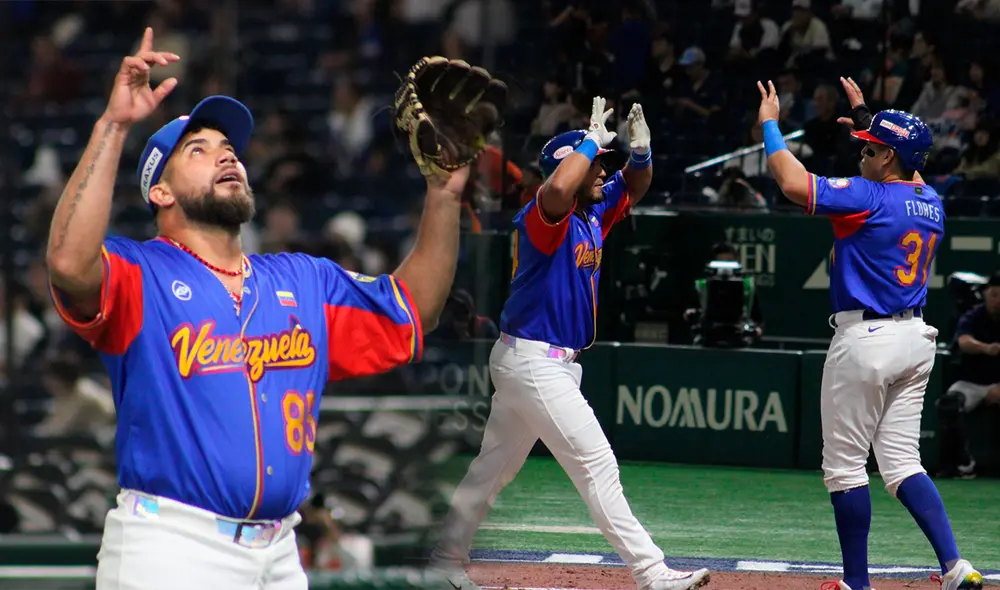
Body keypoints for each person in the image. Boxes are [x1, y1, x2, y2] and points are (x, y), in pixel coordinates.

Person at [44, 29, 467, 590]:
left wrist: (443, 194)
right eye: (199, 151)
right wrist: (115, 125)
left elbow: (415, 308)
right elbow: (70, 263)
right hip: (171, 547)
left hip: (281, 553)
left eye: (230, 150)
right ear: (161, 193)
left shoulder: (303, 279)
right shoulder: (140, 274)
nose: (225, 157)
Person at [428, 98, 710, 590]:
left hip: (540, 361)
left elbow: (635, 185)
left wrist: (640, 152)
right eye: (596, 165)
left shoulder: (592, 211)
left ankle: (443, 560)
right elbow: (558, 185)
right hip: (535, 361)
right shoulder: (544, 213)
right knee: (597, 464)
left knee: (491, 471)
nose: (603, 172)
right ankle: (651, 572)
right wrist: (587, 141)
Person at [756, 77, 983, 590]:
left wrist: (769, 124)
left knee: (844, 470)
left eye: (870, 150)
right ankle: (955, 566)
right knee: (902, 463)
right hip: (915, 340)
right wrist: (869, 124)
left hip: (866, 341)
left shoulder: (869, 195)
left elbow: (792, 183)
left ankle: (857, 584)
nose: (861, 154)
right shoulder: (932, 201)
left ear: (888, 159)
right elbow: (908, 167)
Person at [936, 270, 1000, 479]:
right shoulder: (974, 315)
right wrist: (985, 348)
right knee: (950, 403)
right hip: (971, 384)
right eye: (994, 295)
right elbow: (963, 341)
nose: (997, 300)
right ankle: (960, 463)